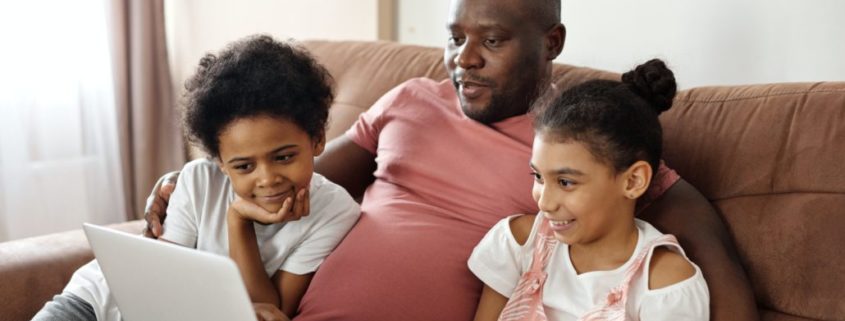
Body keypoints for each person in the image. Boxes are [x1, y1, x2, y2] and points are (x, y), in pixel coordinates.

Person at [145, 0, 759, 320]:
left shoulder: (578, 143)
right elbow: (288, 175)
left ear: (552, 43)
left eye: (491, 40)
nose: (463, 58)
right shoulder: (410, 98)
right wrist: (195, 181)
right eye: (454, 36)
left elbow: (710, 247)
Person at [33, 35, 360, 321]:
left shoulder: (333, 211)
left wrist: (238, 219)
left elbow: (265, 309)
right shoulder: (198, 181)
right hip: (98, 301)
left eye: (284, 157)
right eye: (244, 166)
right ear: (220, 163)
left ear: (317, 139)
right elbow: (163, 280)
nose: (267, 178)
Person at [470, 59, 709, 321]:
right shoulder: (517, 244)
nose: (545, 203)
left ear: (633, 181)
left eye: (565, 182)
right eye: (538, 176)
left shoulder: (664, 285)